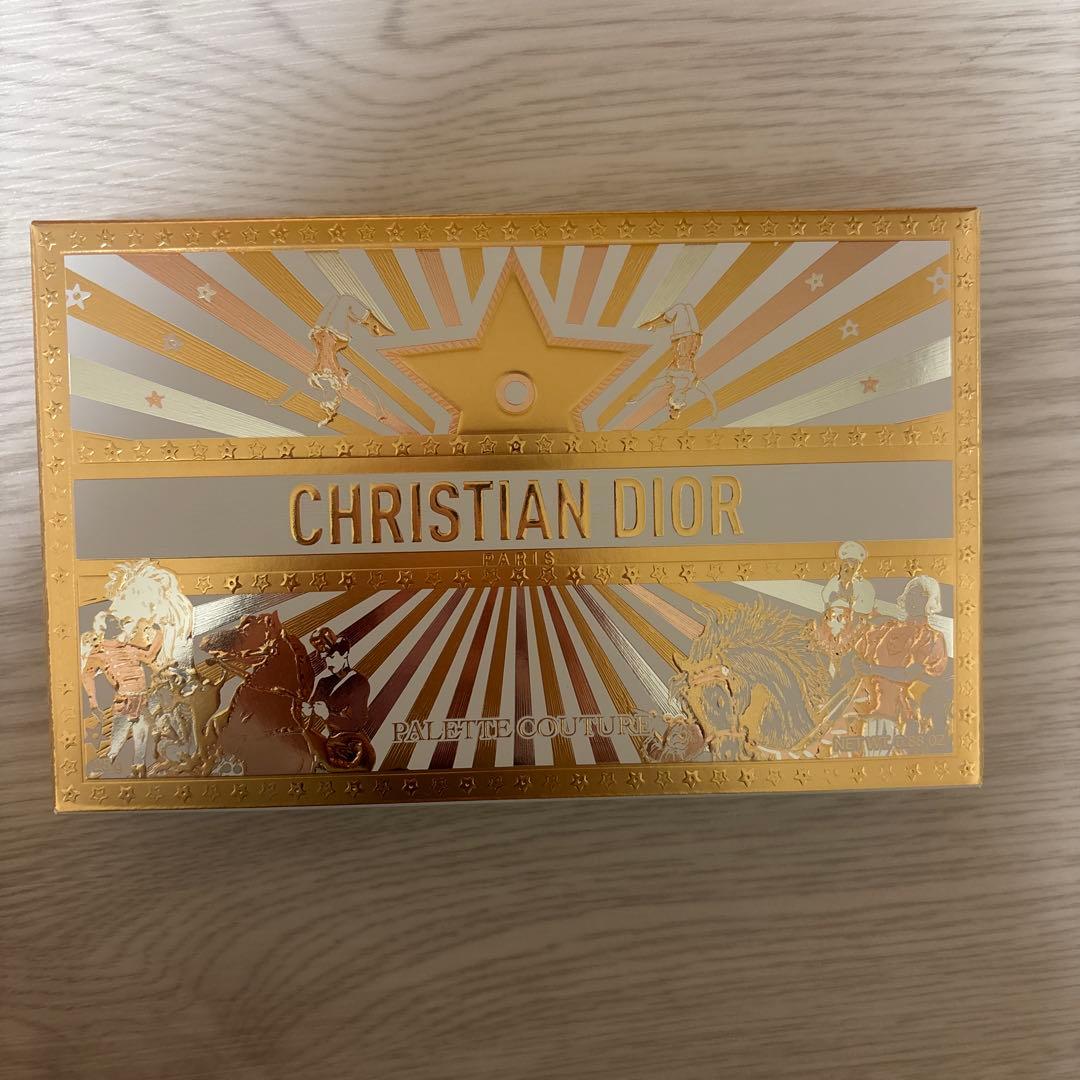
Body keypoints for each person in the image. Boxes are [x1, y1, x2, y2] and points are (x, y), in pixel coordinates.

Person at [848, 575, 949, 756]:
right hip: (864, 704)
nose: (914, 600)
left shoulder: (931, 638)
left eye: (921, 596)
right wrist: (859, 664)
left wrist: (871, 669)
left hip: (895, 712)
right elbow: (859, 653)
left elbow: (908, 674)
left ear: (931, 602)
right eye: (911, 594)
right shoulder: (888, 627)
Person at [81, 611, 165, 777]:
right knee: (117, 741)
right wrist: (93, 702)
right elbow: (87, 675)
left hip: (142, 699)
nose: (118, 626)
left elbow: (149, 656)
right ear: (104, 629)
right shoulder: (98, 653)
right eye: (113, 623)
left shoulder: (129, 648)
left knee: (141, 739)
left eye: (118, 623)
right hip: (124, 701)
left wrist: (161, 632)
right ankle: (102, 769)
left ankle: (139, 770)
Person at [309, 294, 393, 426]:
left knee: (335, 298)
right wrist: (378, 408)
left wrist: (280, 399)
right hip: (336, 337)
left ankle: (358, 320)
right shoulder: (341, 379)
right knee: (345, 300)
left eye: (329, 401)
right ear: (338, 397)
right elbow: (364, 387)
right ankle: (375, 325)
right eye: (336, 401)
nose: (333, 398)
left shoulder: (314, 380)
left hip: (318, 334)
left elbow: (295, 387)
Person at [307, 627, 375, 770]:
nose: (328, 664)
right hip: (326, 743)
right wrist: (306, 710)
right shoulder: (323, 683)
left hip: (350, 748)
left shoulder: (359, 683)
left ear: (345, 654)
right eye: (325, 659)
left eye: (332, 657)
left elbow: (356, 723)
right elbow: (310, 707)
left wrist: (327, 716)